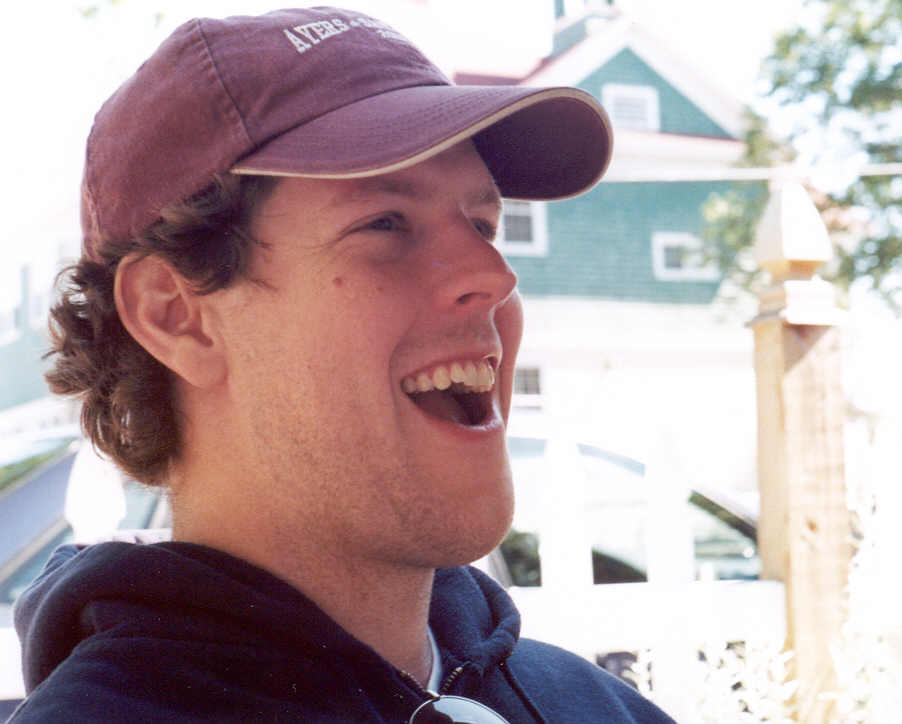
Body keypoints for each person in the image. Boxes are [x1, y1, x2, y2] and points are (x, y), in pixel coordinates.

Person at [9, 7, 674, 723]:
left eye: (483, 225)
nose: (494, 275)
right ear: (178, 315)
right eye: (384, 223)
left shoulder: (603, 709)